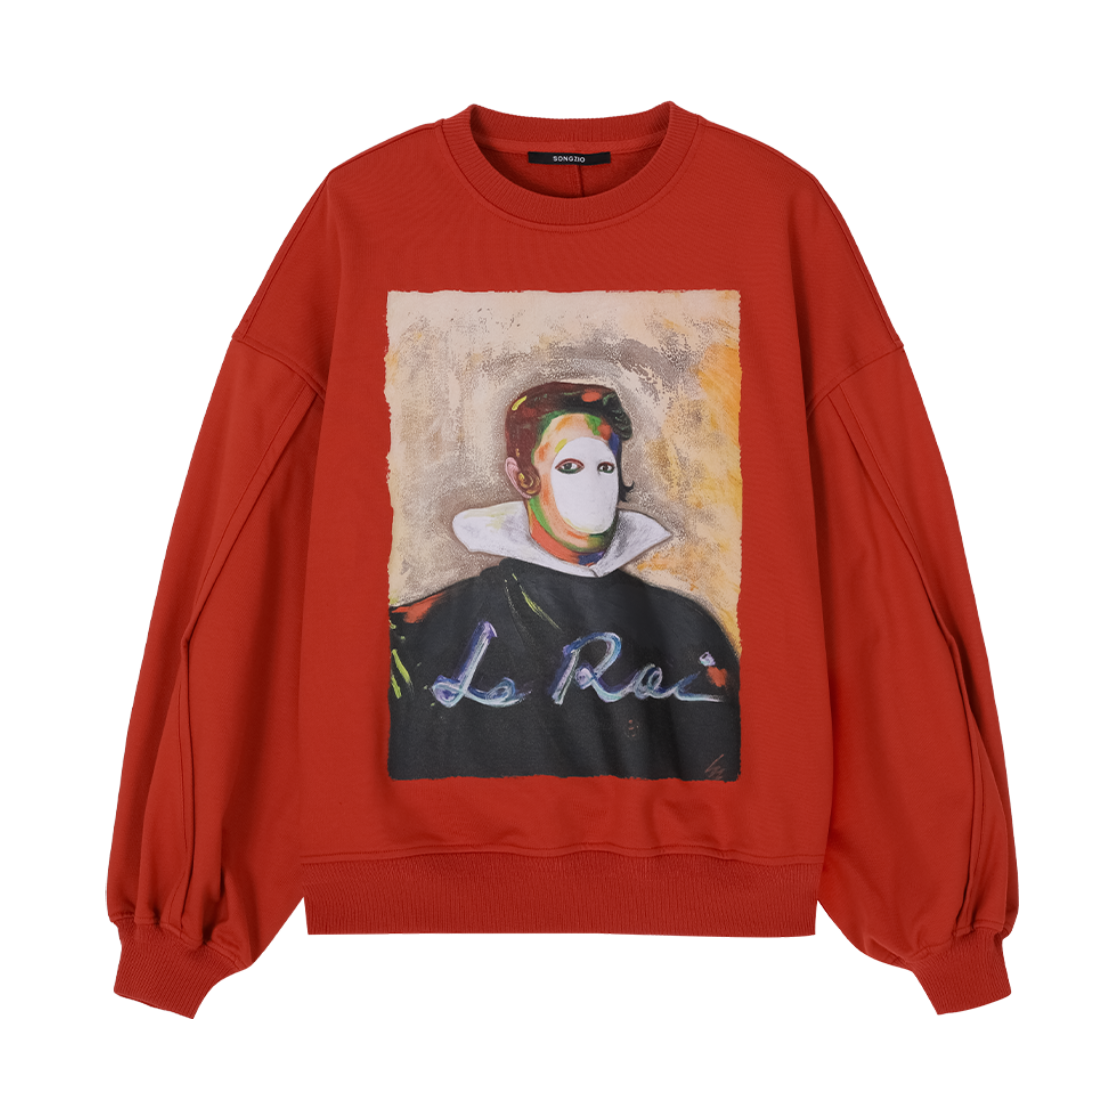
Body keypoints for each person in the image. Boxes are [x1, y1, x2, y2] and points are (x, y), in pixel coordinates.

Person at [387, 379, 741, 780]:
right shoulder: (415, 636)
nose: (592, 487)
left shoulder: (688, 628)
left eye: (605, 467)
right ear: (523, 477)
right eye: (570, 467)